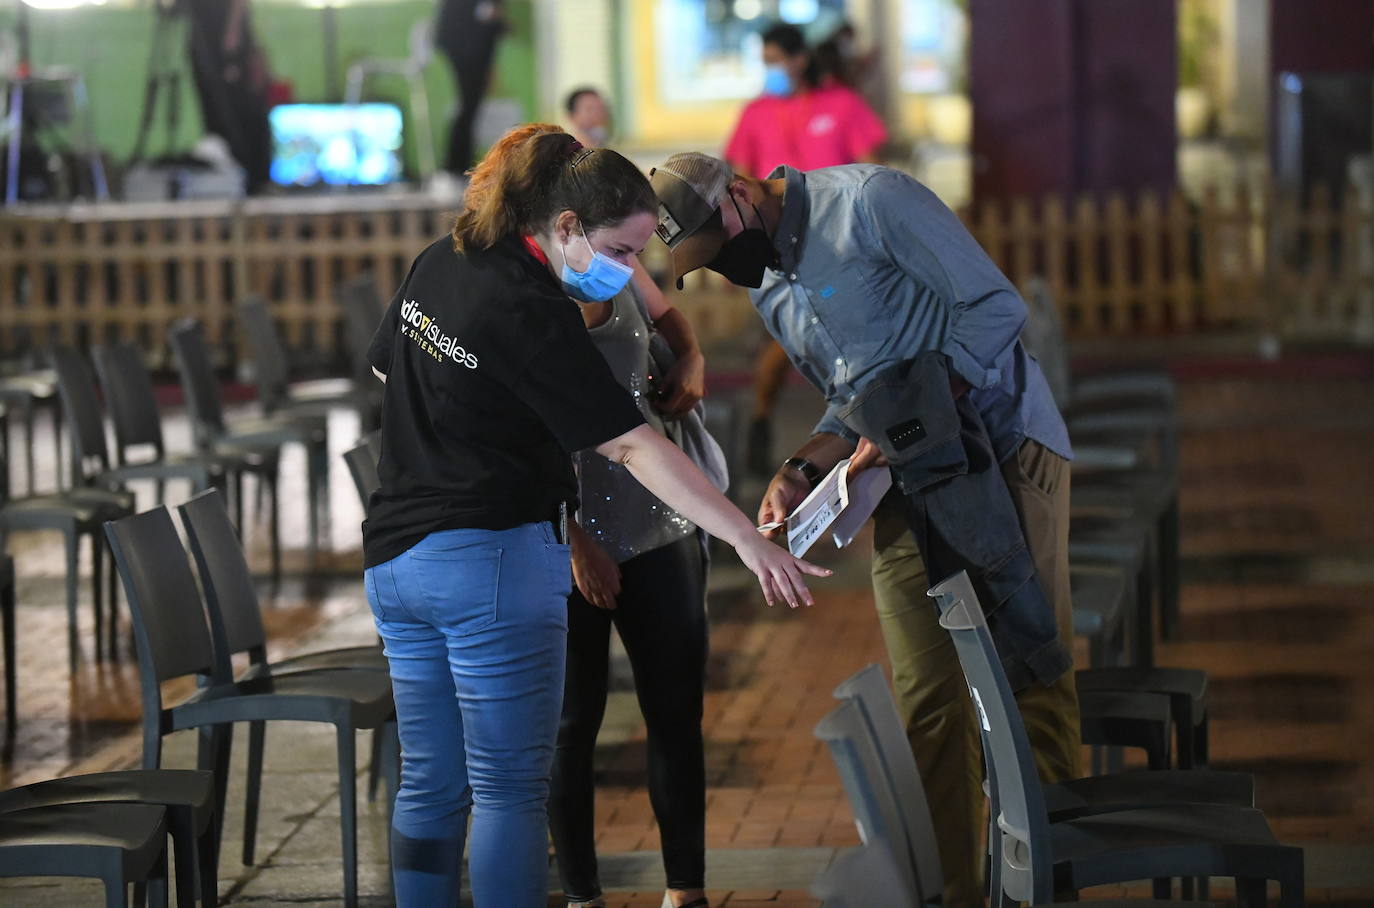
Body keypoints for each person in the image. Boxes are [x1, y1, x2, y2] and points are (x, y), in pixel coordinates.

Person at [363, 125, 828, 907]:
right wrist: (746, 538)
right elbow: (635, 449)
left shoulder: (443, 260)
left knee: (432, 783)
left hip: (396, 565)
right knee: (510, 790)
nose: (626, 273)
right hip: (491, 564)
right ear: (566, 225)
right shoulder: (531, 310)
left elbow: (387, 365)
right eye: (619, 252)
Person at [649, 152, 1079, 906]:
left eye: (718, 250)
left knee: (1029, 672)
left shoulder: (874, 204)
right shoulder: (772, 292)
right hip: (907, 480)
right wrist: (803, 469)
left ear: (741, 194)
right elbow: (848, 404)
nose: (724, 272)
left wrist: (914, 414)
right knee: (929, 701)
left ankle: (1050, 890)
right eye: (705, 266)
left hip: (1005, 450)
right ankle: (952, 892)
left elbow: (995, 310)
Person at [549, 260, 713, 908]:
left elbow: (668, 316)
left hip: (659, 524)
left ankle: (686, 892)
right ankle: (584, 897)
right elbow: (521, 433)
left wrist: (692, 355)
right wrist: (573, 541)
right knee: (571, 724)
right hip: (568, 538)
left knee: (676, 716)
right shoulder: (525, 291)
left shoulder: (615, 264)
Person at [722, 22, 887, 476]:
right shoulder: (755, 112)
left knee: (849, 340)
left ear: (799, 60)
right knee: (784, 340)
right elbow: (737, 173)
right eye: (766, 61)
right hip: (776, 245)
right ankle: (763, 422)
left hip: (839, 244)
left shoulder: (842, 104)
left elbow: (872, 166)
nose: (770, 69)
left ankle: (867, 432)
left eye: (776, 59)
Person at [434, 0, 506, 175]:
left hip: (465, 48)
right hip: (467, 51)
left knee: (469, 110)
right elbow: (487, 18)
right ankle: (455, 167)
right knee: (468, 108)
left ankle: (457, 165)